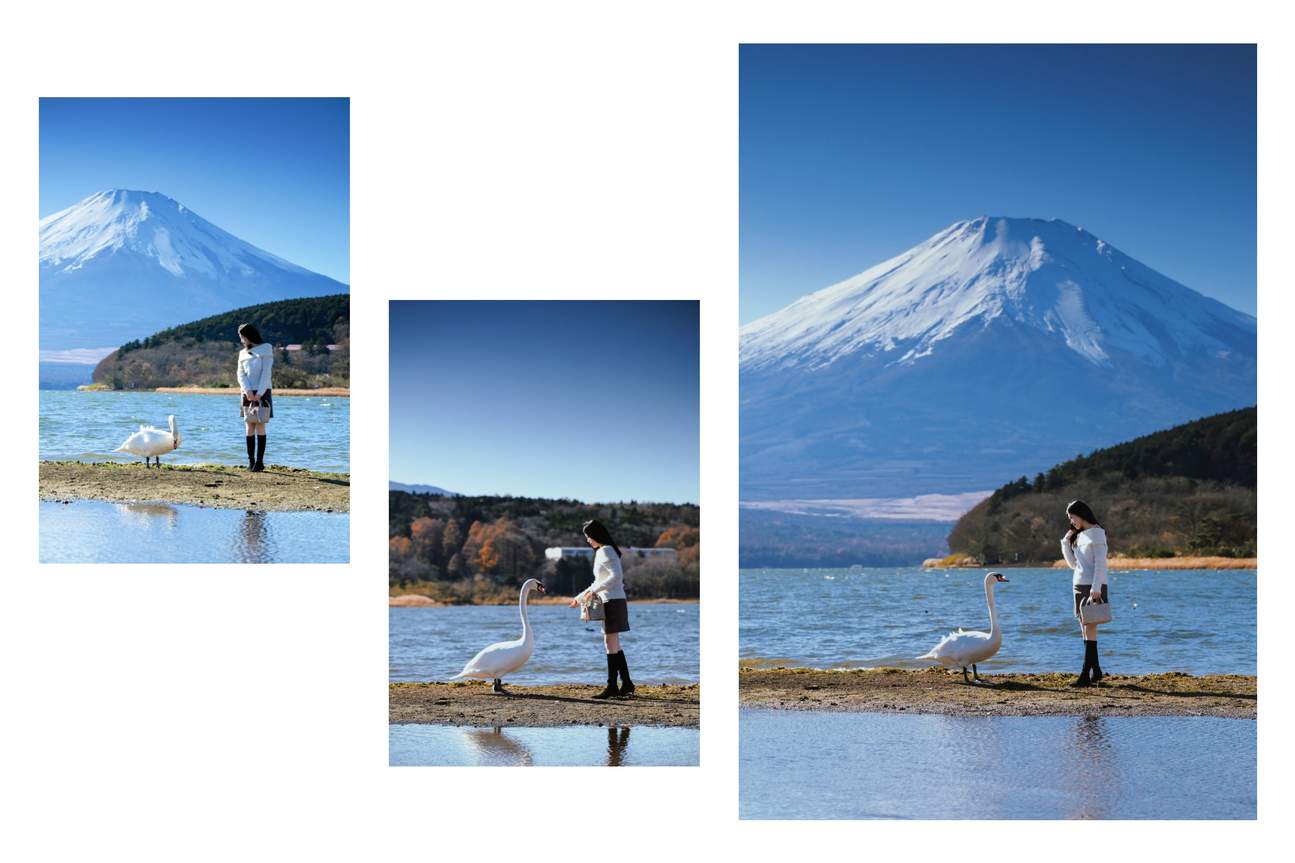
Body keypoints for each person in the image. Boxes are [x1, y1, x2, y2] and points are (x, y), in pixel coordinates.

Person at [567, 519, 634, 699]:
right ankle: (626, 683)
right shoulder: (606, 550)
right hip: (613, 600)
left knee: (609, 643)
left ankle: (612, 686)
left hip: (612, 602)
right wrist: (580, 597)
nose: (588, 540)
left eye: (588, 536)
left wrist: (593, 591)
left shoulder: (605, 551)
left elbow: (616, 577)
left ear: (596, 535)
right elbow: (599, 581)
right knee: (614, 644)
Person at [1060, 499, 1109, 687]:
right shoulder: (1081, 535)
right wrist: (1066, 542)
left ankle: (1084, 675)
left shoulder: (1097, 534)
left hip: (1092, 586)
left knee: (1090, 628)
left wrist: (1096, 589)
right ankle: (1095, 671)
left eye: (1072, 517)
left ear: (1081, 514)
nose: (1071, 521)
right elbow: (1074, 565)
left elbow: (1101, 565)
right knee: (1084, 627)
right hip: (1079, 584)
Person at [236, 323, 274, 472]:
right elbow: (240, 374)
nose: (241, 340)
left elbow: (266, 373)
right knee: (249, 425)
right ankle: (250, 462)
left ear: (248, 335)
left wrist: (258, 393)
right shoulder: (242, 353)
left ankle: (260, 462)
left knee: (260, 424)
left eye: (242, 337)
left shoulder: (266, 348)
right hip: (246, 392)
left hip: (263, 391)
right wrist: (247, 391)